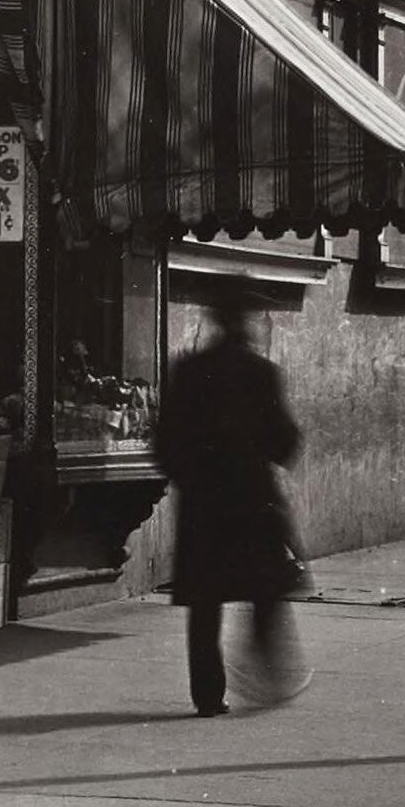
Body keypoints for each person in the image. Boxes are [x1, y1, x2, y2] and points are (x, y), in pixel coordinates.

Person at [150, 273, 306, 715]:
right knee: (264, 585)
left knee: (205, 601)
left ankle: (208, 695)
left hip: (203, 503)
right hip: (252, 500)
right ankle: (265, 663)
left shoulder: (189, 371)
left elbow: (165, 444)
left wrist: (191, 478)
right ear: (245, 320)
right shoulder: (261, 373)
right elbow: (285, 442)